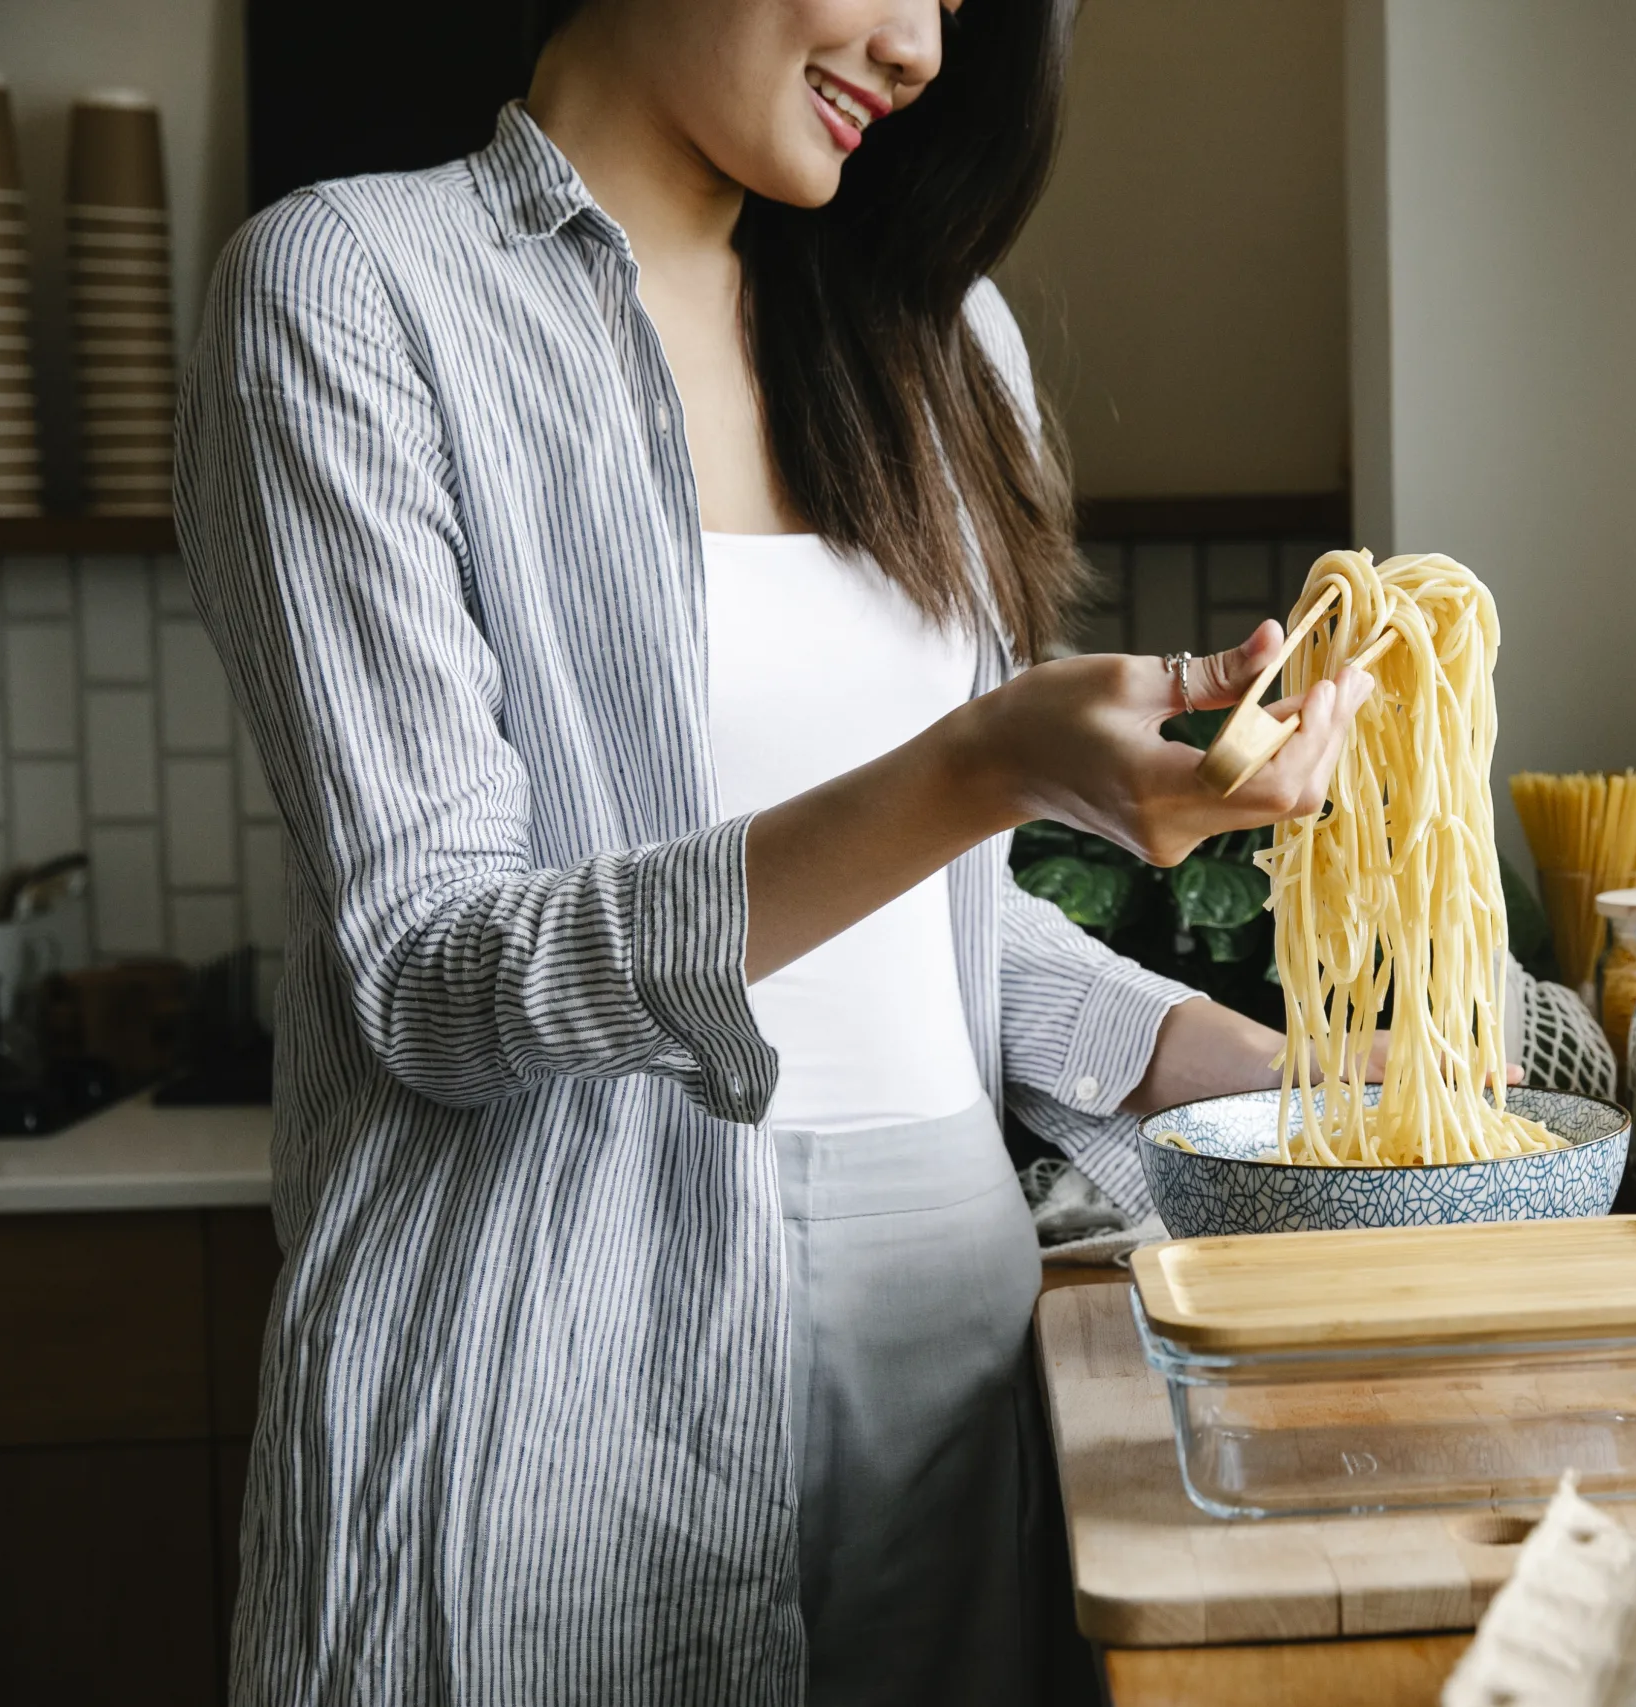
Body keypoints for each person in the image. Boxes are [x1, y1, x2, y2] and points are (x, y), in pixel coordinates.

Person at [173, 1, 1375, 1701]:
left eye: (959, 3)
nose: (922, 47)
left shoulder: (948, 338)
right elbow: (438, 982)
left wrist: (1279, 1081)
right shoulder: (352, 293)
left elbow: (930, 924)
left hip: (951, 1332)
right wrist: (981, 763)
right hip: (558, 1361)